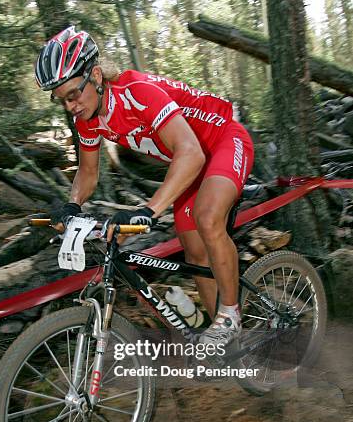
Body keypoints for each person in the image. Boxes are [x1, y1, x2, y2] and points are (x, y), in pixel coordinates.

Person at [35, 26, 254, 347]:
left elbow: (190, 152)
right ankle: (226, 342)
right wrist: (72, 205)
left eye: (73, 94)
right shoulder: (88, 119)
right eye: (62, 100)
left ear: (95, 75)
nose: (70, 106)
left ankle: (230, 315)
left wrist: (149, 211)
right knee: (194, 251)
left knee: (208, 219)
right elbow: (88, 172)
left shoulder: (136, 91)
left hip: (223, 140)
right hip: (191, 161)